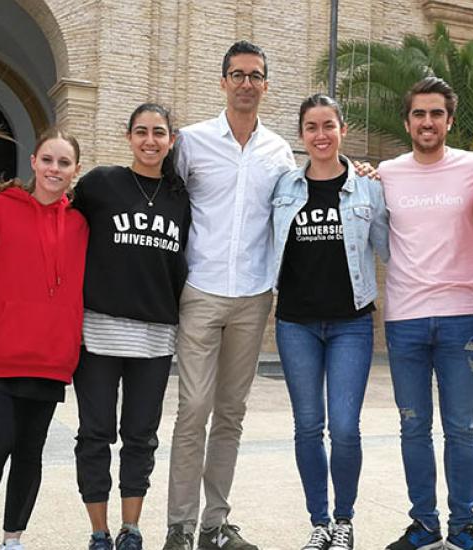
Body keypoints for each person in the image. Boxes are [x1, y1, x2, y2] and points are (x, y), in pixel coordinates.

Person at [162, 40, 296, 550]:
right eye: (237, 74)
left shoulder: (279, 151)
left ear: (265, 84)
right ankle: (179, 525)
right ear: (222, 82)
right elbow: (163, 200)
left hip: (254, 297)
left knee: (231, 414)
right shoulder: (192, 143)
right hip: (200, 290)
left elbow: (296, 208)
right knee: (194, 408)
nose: (246, 83)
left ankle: (214, 525)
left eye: (255, 75)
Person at [0, 128, 88, 550]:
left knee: (30, 453)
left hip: (49, 357)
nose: (55, 169)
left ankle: (13, 538)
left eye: (64, 163)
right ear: (33, 162)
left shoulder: (82, 225)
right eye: (47, 160)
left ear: (75, 171)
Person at [271, 93, 389, 550]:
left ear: (342, 129)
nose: (320, 135)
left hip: (351, 324)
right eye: (311, 127)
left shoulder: (368, 189)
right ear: (301, 135)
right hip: (296, 323)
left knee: (344, 426)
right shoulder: (283, 187)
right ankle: (318, 522)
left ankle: (344, 520)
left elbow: (390, 249)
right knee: (306, 425)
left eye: (328, 125)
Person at [71, 103, 191, 550]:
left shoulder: (181, 197)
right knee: (95, 433)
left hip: (156, 337)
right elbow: (57, 216)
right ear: (128, 137)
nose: (150, 140)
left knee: (140, 436)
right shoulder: (101, 184)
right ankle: (99, 532)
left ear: (171, 140)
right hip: (98, 332)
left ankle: (131, 529)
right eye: (141, 132)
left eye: (159, 132)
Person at [379, 76, 473, 550]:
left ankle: (463, 527)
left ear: (449, 120)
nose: (428, 122)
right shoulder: (386, 173)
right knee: (413, 425)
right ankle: (423, 525)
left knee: (462, 428)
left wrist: (459, 251)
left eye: (437, 114)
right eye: (420, 114)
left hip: (461, 314)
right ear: (408, 122)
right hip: (404, 318)